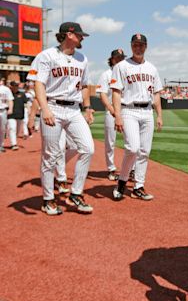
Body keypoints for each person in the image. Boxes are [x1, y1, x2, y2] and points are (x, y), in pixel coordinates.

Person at [28, 21, 95, 216]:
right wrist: (45, 109)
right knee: (50, 155)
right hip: (53, 107)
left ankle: (76, 193)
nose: (82, 38)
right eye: (80, 35)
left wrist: (88, 107)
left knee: (88, 148)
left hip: (74, 109)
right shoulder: (46, 56)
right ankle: (48, 199)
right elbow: (38, 84)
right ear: (69, 35)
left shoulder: (82, 59)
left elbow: (83, 86)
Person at [111, 34, 163, 201]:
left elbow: (156, 94)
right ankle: (121, 182)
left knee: (144, 151)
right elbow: (116, 92)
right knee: (132, 148)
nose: (138, 47)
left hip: (147, 111)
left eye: (141, 45)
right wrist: (117, 115)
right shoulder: (121, 66)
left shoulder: (152, 68)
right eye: (135, 44)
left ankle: (138, 186)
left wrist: (159, 115)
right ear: (131, 46)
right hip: (129, 110)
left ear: (146, 46)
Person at [98, 48, 126, 181]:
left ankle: (131, 169)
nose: (120, 60)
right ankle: (111, 168)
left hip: (126, 111)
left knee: (131, 142)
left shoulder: (127, 73)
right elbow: (102, 94)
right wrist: (111, 109)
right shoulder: (106, 74)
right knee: (110, 142)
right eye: (117, 58)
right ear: (112, 59)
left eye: (122, 58)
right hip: (112, 112)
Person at [7, 81, 28, 150]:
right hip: (11, 115)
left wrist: (29, 111)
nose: (15, 87)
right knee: (12, 128)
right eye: (14, 85)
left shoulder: (22, 94)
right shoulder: (8, 94)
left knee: (17, 130)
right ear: (11, 86)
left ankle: (14, 140)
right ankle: (14, 144)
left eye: (16, 85)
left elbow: (26, 103)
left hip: (20, 115)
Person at [0, 79, 14, 152]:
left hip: (3, 110)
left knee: (2, 129)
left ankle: (1, 145)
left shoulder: (6, 89)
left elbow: (10, 99)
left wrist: (10, 108)